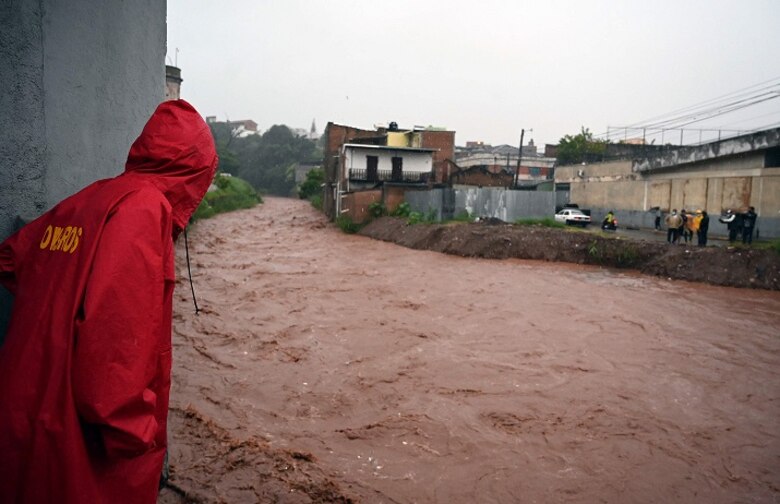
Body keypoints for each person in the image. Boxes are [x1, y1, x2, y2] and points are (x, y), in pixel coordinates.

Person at [0, 100, 218, 503]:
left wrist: (60, 296)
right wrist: (142, 438)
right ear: (196, 171)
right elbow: (113, 368)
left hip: (25, 404)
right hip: (78, 440)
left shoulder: (92, 198)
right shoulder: (144, 210)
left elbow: (11, 259)